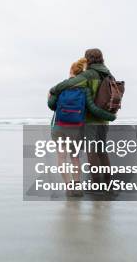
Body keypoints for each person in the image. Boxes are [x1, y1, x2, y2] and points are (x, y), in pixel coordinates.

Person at [48, 48, 115, 195]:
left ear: (88, 59)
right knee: (102, 151)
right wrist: (109, 116)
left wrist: (54, 89)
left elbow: (67, 84)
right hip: (104, 120)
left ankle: (96, 186)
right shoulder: (109, 74)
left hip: (90, 120)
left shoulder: (88, 74)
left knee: (91, 152)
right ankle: (109, 184)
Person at [49, 58, 89, 198]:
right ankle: (77, 187)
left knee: (61, 157)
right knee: (75, 157)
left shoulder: (60, 87)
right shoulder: (84, 89)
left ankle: (68, 187)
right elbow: (89, 107)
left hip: (59, 126)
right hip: (76, 128)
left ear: (71, 71)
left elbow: (51, 105)